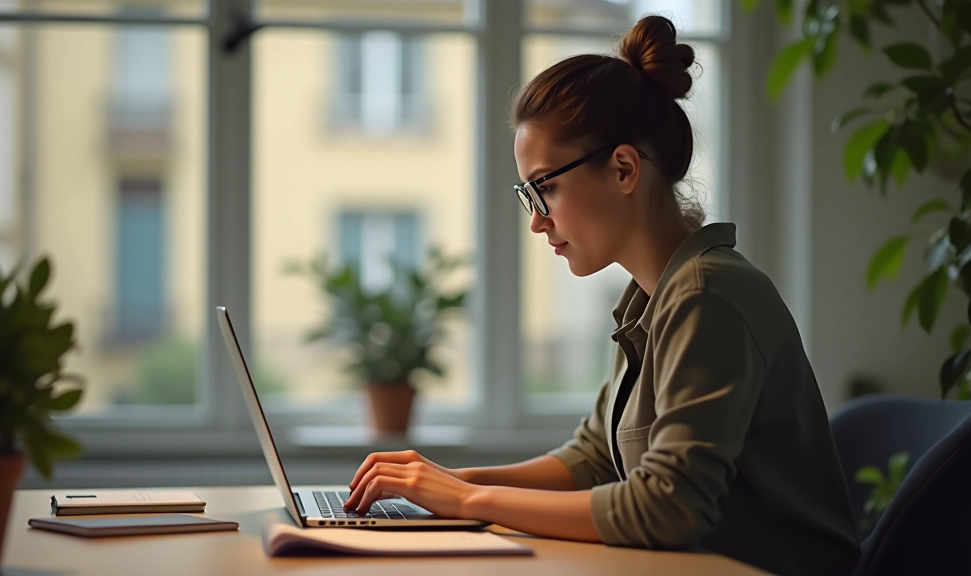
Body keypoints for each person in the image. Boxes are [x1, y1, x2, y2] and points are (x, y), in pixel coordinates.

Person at [343, 14, 861, 576]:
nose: (538, 222)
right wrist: (449, 482)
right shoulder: (652, 296)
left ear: (622, 169)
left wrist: (468, 502)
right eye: (529, 195)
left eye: (546, 188)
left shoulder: (708, 295)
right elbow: (591, 459)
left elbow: (668, 508)